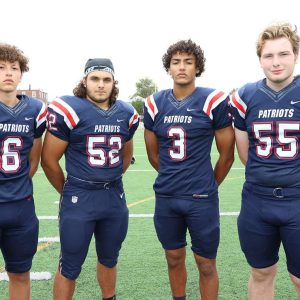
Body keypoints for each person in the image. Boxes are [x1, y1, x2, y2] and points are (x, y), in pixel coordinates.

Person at [143, 39, 235, 300]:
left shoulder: (213, 100)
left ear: (197, 67)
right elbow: (153, 154)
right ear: (168, 68)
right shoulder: (155, 103)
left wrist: (207, 183)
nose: (181, 67)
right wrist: (175, 178)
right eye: (176, 62)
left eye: (188, 62)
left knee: (206, 263)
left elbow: (226, 156)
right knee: (173, 257)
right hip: (168, 197)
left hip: (201, 198)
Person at [41, 58, 139, 300]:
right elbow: (49, 160)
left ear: (114, 83)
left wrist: (111, 178)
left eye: (106, 80)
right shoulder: (70, 109)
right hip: (80, 196)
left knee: (109, 258)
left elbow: (126, 156)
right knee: (70, 265)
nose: (101, 85)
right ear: (84, 81)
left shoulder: (126, 113)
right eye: (95, 78)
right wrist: (68, 189)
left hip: (113, 197)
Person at [230, 22, 300, 299]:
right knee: (261, 272)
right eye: (269, 55)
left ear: (295, 54)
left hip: (298, 199)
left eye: (283, 54)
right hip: (258, 201)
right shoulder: (245, 96)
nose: (276, 62)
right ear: (260, 59)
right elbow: (245, 154)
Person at [0, 43, 47, 300]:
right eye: (1, 67)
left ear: (21, 74)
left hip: (20, 206)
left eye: (13, 68)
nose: (8, 72)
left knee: (20, 274)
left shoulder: (34, 110)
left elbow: (33, 162)